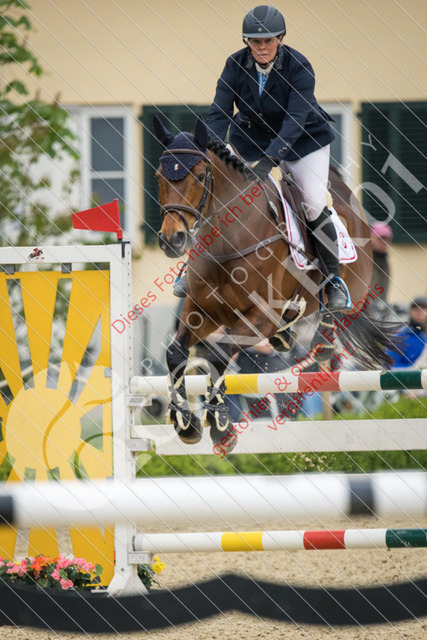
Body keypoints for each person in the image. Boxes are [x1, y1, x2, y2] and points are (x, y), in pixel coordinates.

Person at [201, 5, 349, 312]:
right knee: (220, 193)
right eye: (256, 42)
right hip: (251, 139)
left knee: (312, 203)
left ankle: (333, 279)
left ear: (280, 39)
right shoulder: (235, 64)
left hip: (303, 141)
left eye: (268, 40)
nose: (262, 47)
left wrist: (270, 160)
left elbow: (294, 121)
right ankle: (195, 265)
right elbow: (219, 112)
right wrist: (209, 147)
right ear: (247, 42)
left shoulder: (299, 66)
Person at [387, 297, 427, 368]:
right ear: (410, 312)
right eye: (415, 309)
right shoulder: (400, 336)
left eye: (422, 309)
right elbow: (390, 365)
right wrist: (412, 370)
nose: (418, 312)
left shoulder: (424, 336)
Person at [370, 222, 393, 306]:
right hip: (365, 308)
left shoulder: (384, 259)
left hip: (380, 306)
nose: (384, 242)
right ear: (371, 238)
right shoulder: (366, 259)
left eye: (387, 239)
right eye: (380, 238)